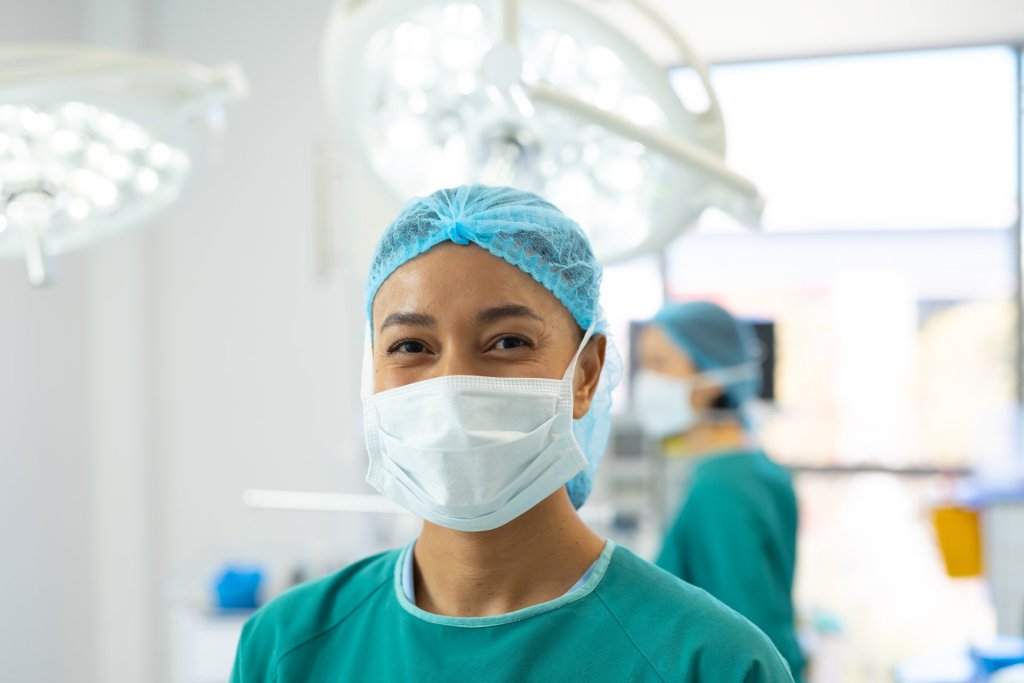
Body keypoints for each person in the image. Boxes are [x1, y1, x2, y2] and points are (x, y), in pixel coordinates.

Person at [230, 186, 794, 682]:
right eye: (410, 347)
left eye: (507, 342)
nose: (452, 386)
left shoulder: (712, 663)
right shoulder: (287, 648)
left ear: (586, 374)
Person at [633, 301, 804, 682]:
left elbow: (749, 637)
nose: (646, 380)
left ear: (712, 378)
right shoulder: (756, 467)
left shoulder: (721, 488)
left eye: (660, 364)